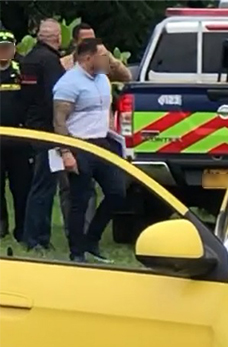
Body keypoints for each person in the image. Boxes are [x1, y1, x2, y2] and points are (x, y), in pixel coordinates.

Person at [54, 38, 124, 264]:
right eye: (102, 56)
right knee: (80, 200)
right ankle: (77, 252)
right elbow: (59, 121)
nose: (107, 60)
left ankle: (91, 240)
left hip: (102, 143)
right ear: (87, 58)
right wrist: (66, 152)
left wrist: (112, 60)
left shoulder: (102, 77)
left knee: (117, 192)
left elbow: (127, 77)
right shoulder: (69, 83)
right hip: (79, 145)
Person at [19, 19, 64, 252]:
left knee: (37, 183)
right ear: (57, 37)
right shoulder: (50, 62)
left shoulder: (28, 60)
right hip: (48, 130)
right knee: (44, 186)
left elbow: (24, 97)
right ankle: (36, 238)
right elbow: (56, 97)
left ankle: (33, 235)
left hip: (31, 126)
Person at [0, 29, 30, 247]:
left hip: (19, 140)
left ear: (14, 49)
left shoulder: (22, 72)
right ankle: (1, 225)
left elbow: (30, 101)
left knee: (21, 187)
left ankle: (22, 229)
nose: (3, 52)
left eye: (7, 48)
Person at [60, 23, 130, 83]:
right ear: (75, 42)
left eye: (92, 40)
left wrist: (109, 58)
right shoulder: (64, 64)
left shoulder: (101, 61)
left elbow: (126, 77)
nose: (90, 44)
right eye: (86, 41)